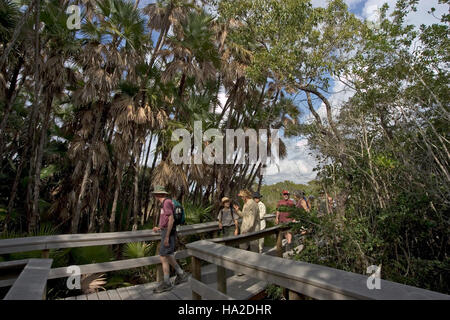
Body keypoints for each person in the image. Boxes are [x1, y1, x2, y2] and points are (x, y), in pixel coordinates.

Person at [151, 186, 189, 293]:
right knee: (168, 255)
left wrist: (167, 236)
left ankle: (167, 283)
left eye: (155, 194)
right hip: (166, 230)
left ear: (158, 194)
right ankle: (181, 274)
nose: (155, 196)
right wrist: (159, 227)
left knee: (163, 256)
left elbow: (171, 219)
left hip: (168, 232)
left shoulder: (166, 203)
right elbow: (166, 219)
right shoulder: (166, 203)